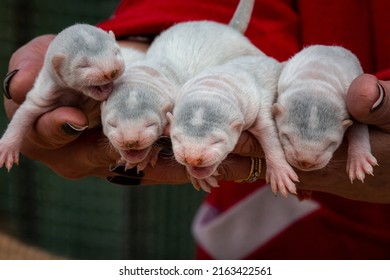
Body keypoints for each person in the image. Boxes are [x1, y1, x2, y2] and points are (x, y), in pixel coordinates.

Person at [3, 0, 390, 258]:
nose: (134, 140)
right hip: (262, 235)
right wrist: (137, 44)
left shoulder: (250, 105)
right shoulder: (176, 101)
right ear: (173, 117)